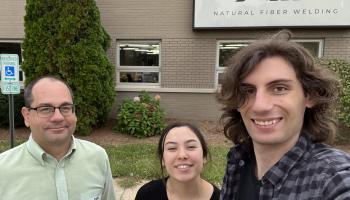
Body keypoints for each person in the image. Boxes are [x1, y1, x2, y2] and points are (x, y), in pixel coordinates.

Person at [217, 30, 350, 199]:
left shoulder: (333, 179)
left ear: (309, 96)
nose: (260, 106)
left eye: (279, 88)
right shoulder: (238, 163)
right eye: (248, 91)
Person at [0, 76, 116, 200]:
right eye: (46, 109)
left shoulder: (97, 157)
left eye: (65, 108)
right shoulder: (3, 170)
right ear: (27, 116)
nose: (58, 117)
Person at [135, 122, 220, 200]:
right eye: (172, 148)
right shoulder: (146, 195)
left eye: (191, 147)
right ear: (163, 160)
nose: (182, 155)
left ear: (204, 156)